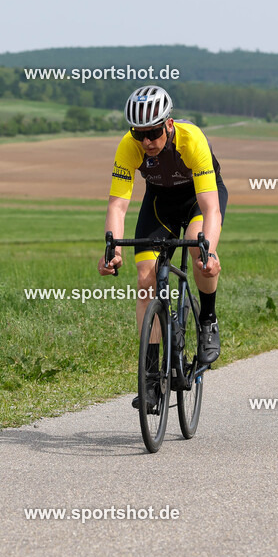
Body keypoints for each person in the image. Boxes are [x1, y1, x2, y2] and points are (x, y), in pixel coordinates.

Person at [97, 85, 227, 410]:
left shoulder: (191, 139)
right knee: (145, 281)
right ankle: (152, 379)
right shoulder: (130, 147)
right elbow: (117, 205)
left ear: (168, 124)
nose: (146, 142)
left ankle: (208, 321)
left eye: (153, 133)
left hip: (199, 198)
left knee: (199, 255)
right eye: (139, 134)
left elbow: (210, 207)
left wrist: (209, 253)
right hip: (160, 203)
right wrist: (112, 250)